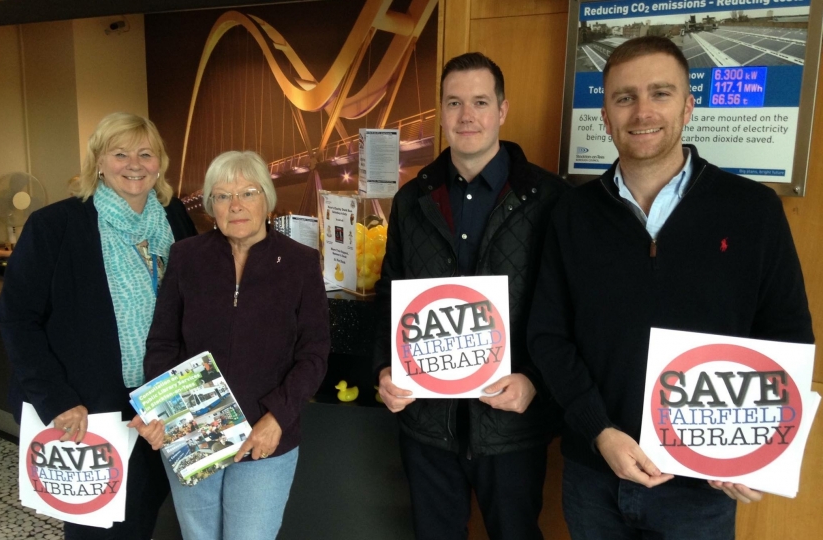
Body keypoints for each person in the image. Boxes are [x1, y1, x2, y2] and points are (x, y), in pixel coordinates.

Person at [528, 36, 814, 539]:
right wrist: (599, 430)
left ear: (687, 106)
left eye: (660, 93)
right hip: (594, 474)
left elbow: (786, 338)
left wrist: (753, 452)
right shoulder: (571, 213)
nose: (642, 112)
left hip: (701, 489)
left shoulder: (753, 211)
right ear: (605, 114)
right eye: (624, 97)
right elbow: (548, 336)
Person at [373, 52, 566, 539]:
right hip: (428, 423)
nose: (467, 116)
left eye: (480, 102)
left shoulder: (550, 198)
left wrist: (535, 382)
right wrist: (382, 369)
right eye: (454, 102)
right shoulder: (411, 200)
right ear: (440, 111)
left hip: (511, 422)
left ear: (502, 110)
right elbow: (389, 293)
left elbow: (567, 307)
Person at [0, 111, 197, 539]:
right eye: (120, 153)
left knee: (152, 515)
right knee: (99, 527)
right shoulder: (56, 226)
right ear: (98, 162)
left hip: (162, 398)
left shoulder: (173, 216)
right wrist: (57, 400)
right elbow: (18, 319)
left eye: (146, 153)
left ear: (160, 162)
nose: (134, 164)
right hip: (88, 408)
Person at [135, 150, 330, 540]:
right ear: (210, 206)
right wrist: (161, 412)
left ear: (267, 200)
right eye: (222, 196)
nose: (236, 205)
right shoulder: (186, 257)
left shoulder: (300, 263)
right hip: (193, 433)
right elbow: (162, 342)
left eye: (248, 192)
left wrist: (278, 418)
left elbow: (314, 353)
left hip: (264, 437)